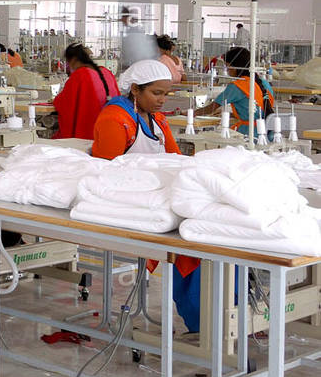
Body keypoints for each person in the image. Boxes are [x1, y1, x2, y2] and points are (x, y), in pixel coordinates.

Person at [92, 60, 196, 333]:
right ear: (136, 90)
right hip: (129, 205)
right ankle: (199, 315)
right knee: (189, 246)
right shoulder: (115, 119)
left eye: (166, 94)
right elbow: (105, 172)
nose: (163, 100)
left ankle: (206, 313)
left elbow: (176, 159)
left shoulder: (157, 119)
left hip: (155, 199)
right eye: (157, 93)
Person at [195, 46, 275, 136]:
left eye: (227, 66)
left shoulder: (237, 86)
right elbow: (257, 110)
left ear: (233, 67)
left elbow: (211, 108)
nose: (227, 70)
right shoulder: (264, 84)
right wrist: (232, 114)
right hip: (267, 133)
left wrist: (189, 113)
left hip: (249, 134)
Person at [53, 43, 120, 140]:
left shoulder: (80, 75)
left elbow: (65, 102)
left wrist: (55, 100)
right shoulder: (106, 72)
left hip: (89, 131)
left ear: (73, 60)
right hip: (110, 128)